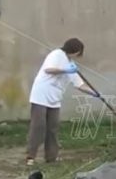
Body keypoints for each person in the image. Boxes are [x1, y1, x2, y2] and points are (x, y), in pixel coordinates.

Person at [26, 38, 98, 166]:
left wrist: (94, 92)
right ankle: (31, 156)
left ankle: (51, 157)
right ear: (74, 50)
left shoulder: (71, 64)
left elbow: (80, 85)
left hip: (55, 98)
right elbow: (49, 70)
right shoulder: (56, 55)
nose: (78, 55)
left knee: (52, 128)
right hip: (41, 95)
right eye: (78, 52)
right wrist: (65, 70)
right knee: (39, 126)